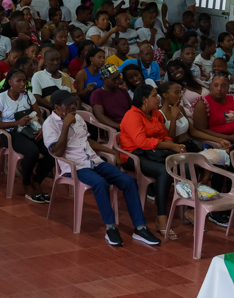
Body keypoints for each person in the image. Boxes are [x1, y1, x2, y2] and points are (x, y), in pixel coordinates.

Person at [43, 92, 161, 247]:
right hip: (75, 166)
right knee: (100, 183)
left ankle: (140, 228)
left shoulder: (77, 118)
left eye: (73, 102)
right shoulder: (49, 124)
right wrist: (65, 125)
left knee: (128, 181)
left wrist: (112, 152)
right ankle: (111, 227)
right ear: (57, 107)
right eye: (69, 104)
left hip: (94, 161)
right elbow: (57, 152)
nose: (73, 106)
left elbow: (87, 140)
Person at [118, 85, 182, 241]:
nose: (158, 98)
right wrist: (169, 146)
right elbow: (142, 142)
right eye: (155, 95)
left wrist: (175, 147)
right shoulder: (132, 115)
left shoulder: (156, 114)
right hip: (134, 156)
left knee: (186, 163)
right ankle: (161, 216)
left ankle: (190, 209)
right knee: (164, 171)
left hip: (153, 153)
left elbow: (164, 136)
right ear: (145, 99)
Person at [0, 70, 53, 204]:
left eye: (25, 80)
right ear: (10, 82)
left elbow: (39, 115)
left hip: (30, 130)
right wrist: (16, 123)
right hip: (10, 133)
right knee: (32, 152)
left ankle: (37, 181)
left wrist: (42, 128)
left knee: (52, 149)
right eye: (19, 81)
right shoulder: (1, 98)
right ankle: (27, 185)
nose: (23, 84)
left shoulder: (28, 95)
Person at [89, 65, 130, 129]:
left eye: (118, 77)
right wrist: (119, 126)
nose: (117, 81)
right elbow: (100, 117)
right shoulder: (97, 94)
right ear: (105, 79)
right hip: (114, 128)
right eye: (114, 79)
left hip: (129, 124)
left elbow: (132, 109)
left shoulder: (123, 91)